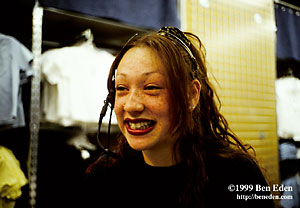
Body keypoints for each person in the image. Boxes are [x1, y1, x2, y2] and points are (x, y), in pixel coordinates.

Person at [84, 27, 275, 208]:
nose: (132, 105)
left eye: (151, 87)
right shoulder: (105, 177)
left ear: (191, 95)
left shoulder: (238, 176)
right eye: (122, 88)